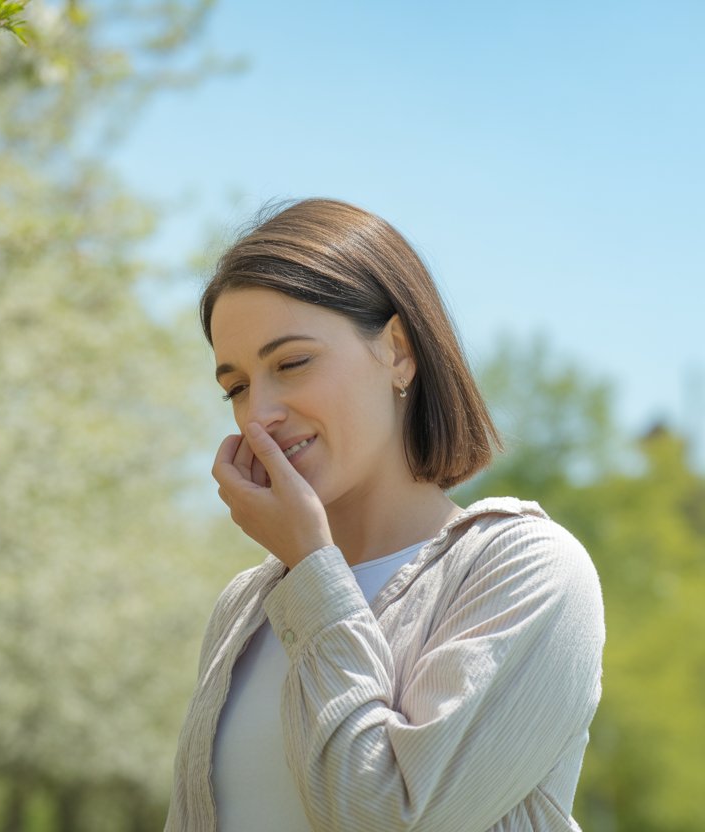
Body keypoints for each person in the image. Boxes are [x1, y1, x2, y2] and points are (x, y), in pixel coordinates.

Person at [165, 198, 605, 831]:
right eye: (236, 387)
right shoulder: (247, 607)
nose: (258, 412)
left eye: (291, 363)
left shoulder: (528, 569)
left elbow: (392, 817)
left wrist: (314, 567)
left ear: (398, 350)